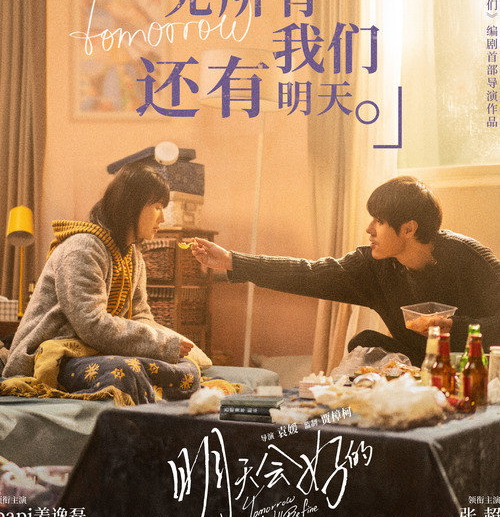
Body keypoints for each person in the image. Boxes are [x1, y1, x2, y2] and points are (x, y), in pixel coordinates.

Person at [191, 176, 500, 365]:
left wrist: (454, 327)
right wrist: (233, 260)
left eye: (379, 221)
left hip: (474, 367)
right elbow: (308, 273)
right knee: (364, 343)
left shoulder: (469, 258)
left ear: (408, 229)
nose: (369, 229)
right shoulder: (374, 267)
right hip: (419, 365)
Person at [2, 161, 201, 403]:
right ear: (132, 206)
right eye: (157, 207)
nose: (163, 217)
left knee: (186, 369)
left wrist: (170, 345)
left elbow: (141, 315)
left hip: (96, 350)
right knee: (125, 373)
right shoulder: (82, 248)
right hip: (55, 353)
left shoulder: (133, 256)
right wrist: (160, 345)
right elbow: (92, 325)